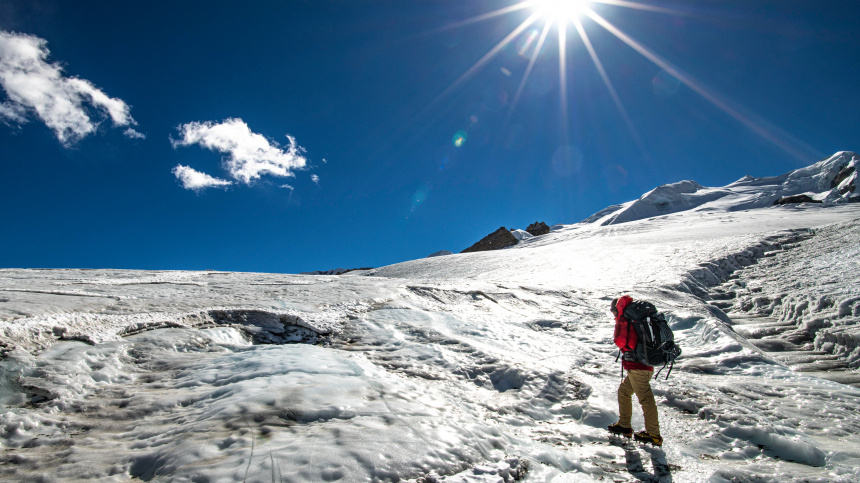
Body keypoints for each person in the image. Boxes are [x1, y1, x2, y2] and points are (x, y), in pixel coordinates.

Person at [607, 295, 663, 446]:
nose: (613, 316)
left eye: (613, 312)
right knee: (624, 392)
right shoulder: (636, 319)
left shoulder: (625, 320)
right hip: (644, 365)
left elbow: (621, 341)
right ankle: (624, 425)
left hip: (638, 367)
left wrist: (619, 328)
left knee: (645, 399)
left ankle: (654, 435)